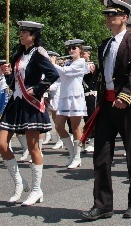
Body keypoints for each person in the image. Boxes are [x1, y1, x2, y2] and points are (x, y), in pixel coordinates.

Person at [80, 0, 131, 221]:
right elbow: (105, 75)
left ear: (124, 18)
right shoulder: (104, 44)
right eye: (107, 15)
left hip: (128, 106)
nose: (109, 18)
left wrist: (126, 94)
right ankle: (103, 205)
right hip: (107, 106)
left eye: (113, 15)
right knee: (101, 156)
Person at [0, 21, 58, 206]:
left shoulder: (38, 53)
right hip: (15, 104)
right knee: (1, 144)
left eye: (25, 32)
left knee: (33, 149)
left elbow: (52, 74)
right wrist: (8, 74)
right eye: (21, 31)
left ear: (33, 35)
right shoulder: (17, 55)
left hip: (30, 104)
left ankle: (37, 189)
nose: (21, 34)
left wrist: (37, 89)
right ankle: (19, 183)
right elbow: (12, 83)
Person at [53, 39, 88, 169]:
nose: (71, 51)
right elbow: (58, 75)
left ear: (80, 50)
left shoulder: (81, 62)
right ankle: (72, 153)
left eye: (74, 48)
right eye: (69, 49)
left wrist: (53, 63)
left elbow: (66, 72)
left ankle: (77, 157)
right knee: (59, 126)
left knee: (75, 128)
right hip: (64, 96)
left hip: (75, 97)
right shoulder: (67, 62)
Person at [81, 45, 97, 153]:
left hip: (91, 95)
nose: (82, 56)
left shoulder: (92, 65)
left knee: (91, 118)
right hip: (82, 95)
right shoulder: (78, 64)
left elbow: (90, 72)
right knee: (85, 118)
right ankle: (87, 137)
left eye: (84, 54)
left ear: (88, 54)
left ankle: (93, 141)